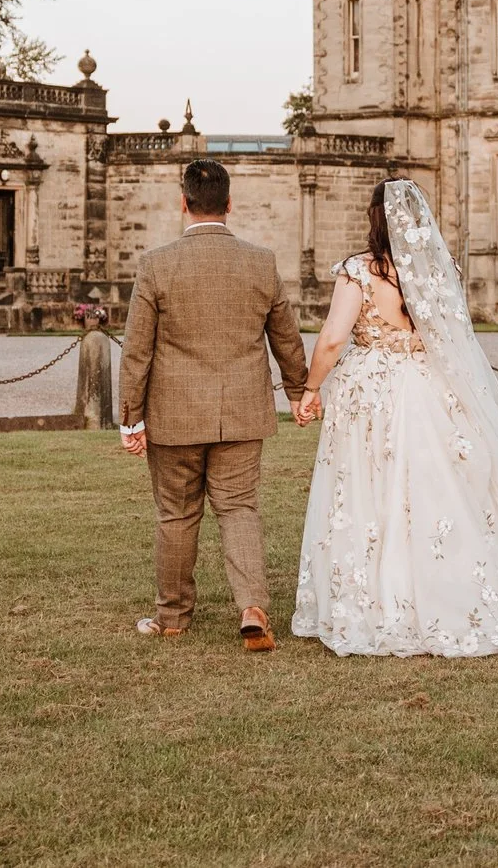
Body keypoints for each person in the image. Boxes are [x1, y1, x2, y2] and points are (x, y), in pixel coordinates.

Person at [289, 177, 498, 656]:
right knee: (436, 488)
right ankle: (451, 593)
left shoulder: (359, 272)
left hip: (374, 392)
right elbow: (453, 341)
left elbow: (333, 339)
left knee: (369, 489)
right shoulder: (439, 272)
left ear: (375, 220)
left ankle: (381, 604)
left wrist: (310, 388)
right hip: (430, 386)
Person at [117, 158, 310, 651]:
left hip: (173, 413)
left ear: (183, 203)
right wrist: (298, 390)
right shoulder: (260, 261)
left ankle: (173, 616)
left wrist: (129, 418)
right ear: (229, 204)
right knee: (239, 508)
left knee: (176, 514)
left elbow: (137, 348)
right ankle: (252, 607)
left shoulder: (156, 264)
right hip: (244, 410)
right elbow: (286, 337)